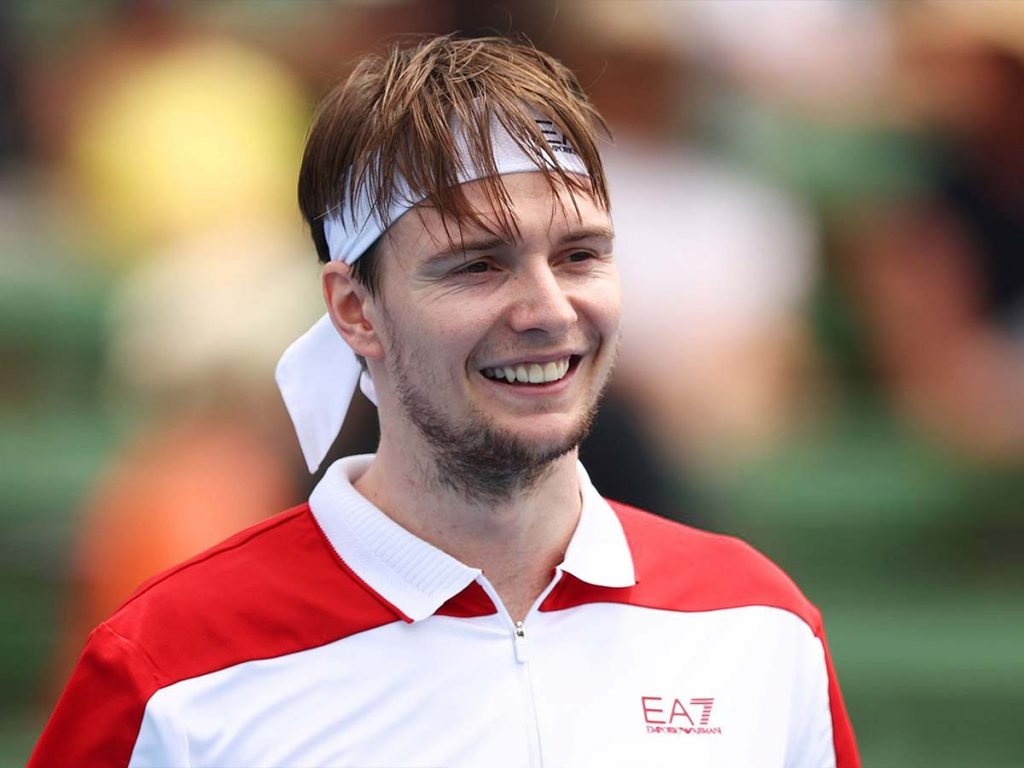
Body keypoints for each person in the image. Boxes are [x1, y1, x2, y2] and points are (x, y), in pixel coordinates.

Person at [30, 36, 860, 767]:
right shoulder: (168, 667)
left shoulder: (760, 626)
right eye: (477, 265)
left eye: (579, 255)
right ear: (355, 309)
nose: (549, 310)